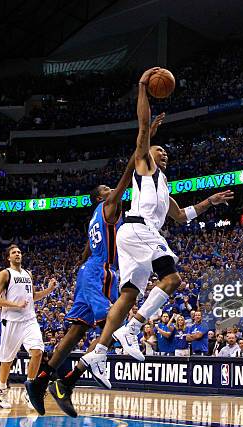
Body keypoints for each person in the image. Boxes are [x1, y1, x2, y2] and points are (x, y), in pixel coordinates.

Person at [80, 67, 233, 387]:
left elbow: (183, 217)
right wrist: (141, 90)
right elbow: (142, 127)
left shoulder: (163, 187)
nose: (161, 150)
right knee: (172, 277)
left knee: (128, 294)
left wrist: (211, 202)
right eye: (155, 147)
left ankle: (98, 353)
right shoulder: (144, 168)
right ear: (146, 154)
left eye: (163, 150)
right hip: (138, 230)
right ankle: (133, 329)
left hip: (133, 236)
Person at [42, 107, 165, 419]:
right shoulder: (109, 207)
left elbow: (86, 249)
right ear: (101, 198)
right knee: (113, 320)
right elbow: (130, 170)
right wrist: (147, 136)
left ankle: (44, 378)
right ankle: (96, 361)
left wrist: (81, 266)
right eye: (107, 191)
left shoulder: (95, 220)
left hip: (90, 269)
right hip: (100, 272)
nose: (113, 192)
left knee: (77, 329)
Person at [0, 244, 57, 414]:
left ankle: (30, 389)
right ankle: (3, 391)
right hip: (11, 321)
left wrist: (49, 290)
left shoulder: (28, 274)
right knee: (6, 360)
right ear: (8, 257)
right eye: (14, 252)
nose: (17, 254)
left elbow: (32, 296)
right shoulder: (5, 274)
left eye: (19, 252)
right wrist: (15, 304)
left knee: (38, 352)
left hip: (29, 320)